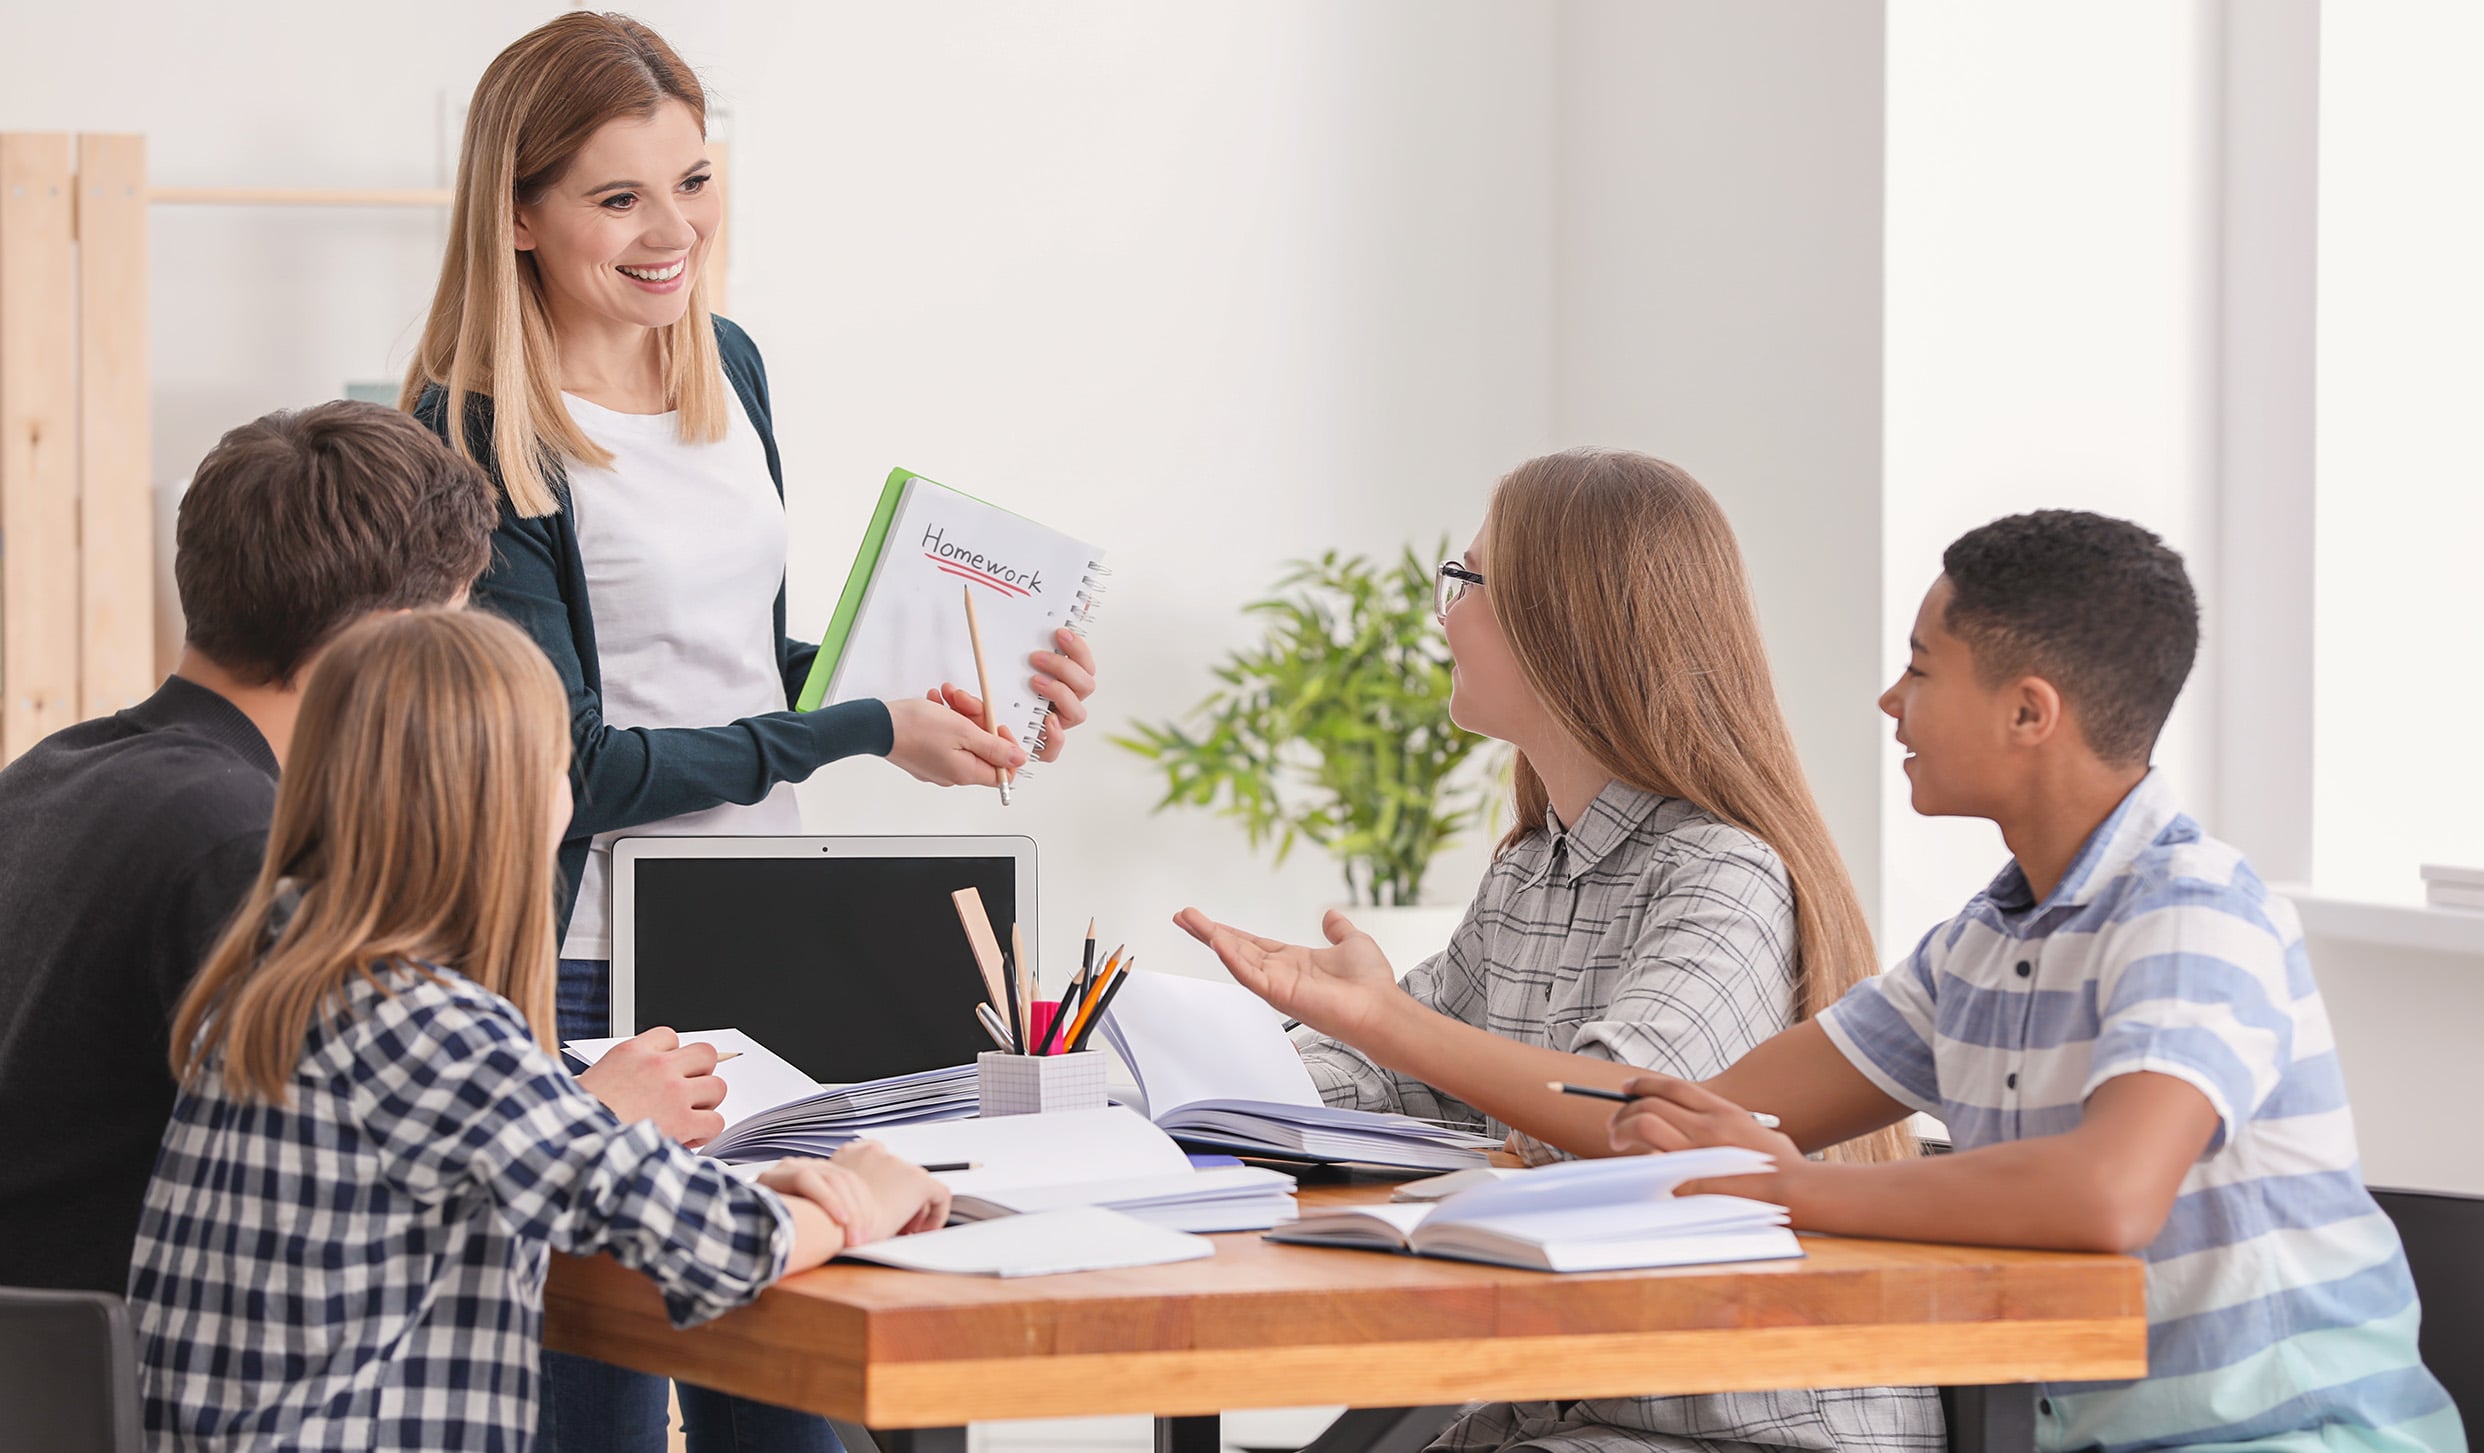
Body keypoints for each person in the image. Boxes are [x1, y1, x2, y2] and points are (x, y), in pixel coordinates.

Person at [403, 15, 1098, 1447]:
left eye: (696, 180)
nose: (674, 232)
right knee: (594, 1406)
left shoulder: (725, 361)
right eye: (619, 198)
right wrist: (855, 723)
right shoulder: (476, 422)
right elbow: (575, 762)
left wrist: (944, 700)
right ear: (520, 217)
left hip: (769, 938)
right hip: (597, 972)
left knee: (789, 1406)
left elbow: (731, 660)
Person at [1603, 511, 2464, 1453]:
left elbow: (2106, 1193)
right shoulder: (1978, 944)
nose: (1891, 699)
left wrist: (1786, 1187)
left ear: (2028, 712)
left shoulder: (2197, 911)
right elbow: (1707, 1115)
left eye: (1922, 668)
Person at [1179, 448, 1940, 1451]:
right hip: (1565, 1404)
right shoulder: (1532, 870)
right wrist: (1169, 1092)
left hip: (1738, 1425)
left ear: (1564, 620)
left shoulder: (1722, 872)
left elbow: (1618, 1109)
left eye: (1464, 581)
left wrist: (1393, 1025)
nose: (1441, 613)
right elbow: (1403, 1074)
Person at [129, 608, 950, 1450]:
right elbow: (716, 1248)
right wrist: (864, 1196)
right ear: (513, 802)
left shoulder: (276, 970)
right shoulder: (427, 1025)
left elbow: (587, 1188)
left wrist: (746, 1193)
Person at [0, 401, 720, 1296]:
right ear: (388, 644)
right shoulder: (250, 845)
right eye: (458, 626)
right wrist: (592, 1115)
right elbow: (341, 1193)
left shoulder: (47, 775)